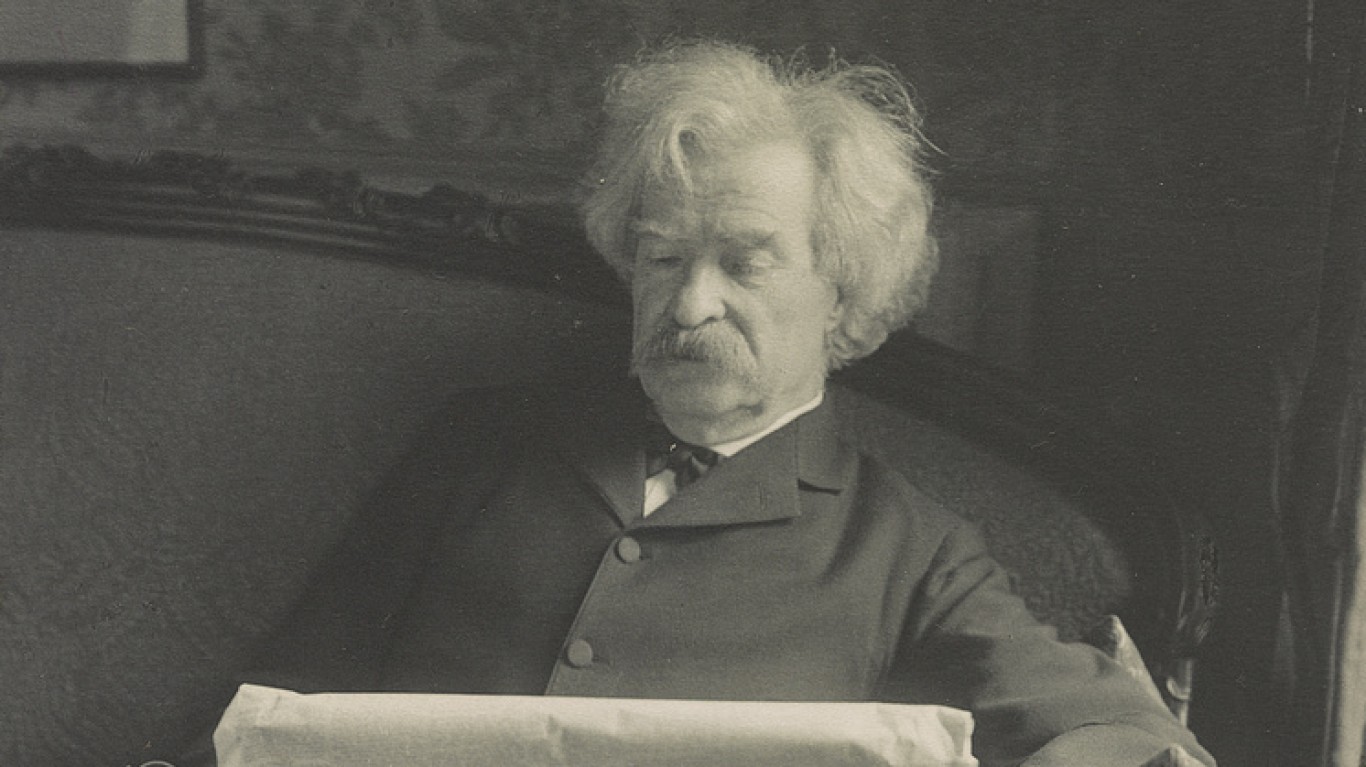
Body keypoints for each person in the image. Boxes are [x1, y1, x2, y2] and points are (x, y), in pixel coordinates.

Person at [249, 40, 1216, 766]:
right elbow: (271, 709)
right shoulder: (480, 443)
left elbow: (1121, 736)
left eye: (744, 263)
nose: (688, 304)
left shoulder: (908, 550)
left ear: (843, 294)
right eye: (663, 258)